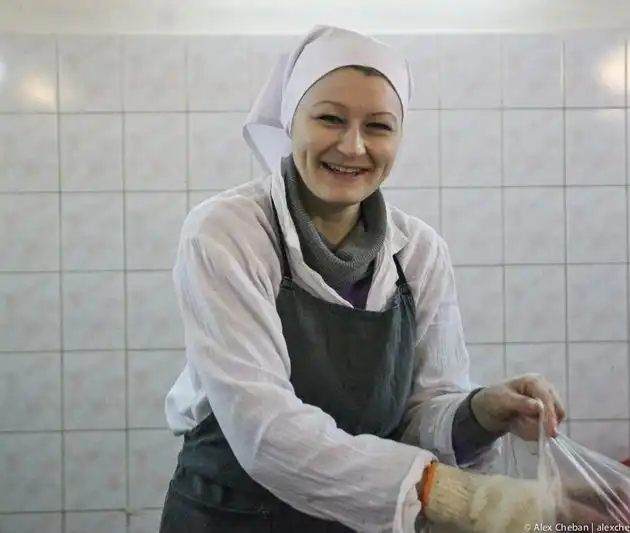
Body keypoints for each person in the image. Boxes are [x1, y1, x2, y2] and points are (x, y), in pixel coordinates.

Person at [158, 24, 577, 533]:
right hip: (231, 517)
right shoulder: (229, 231)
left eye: (378, 126)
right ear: (292, 121)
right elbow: (262, 427)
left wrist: (479, 412)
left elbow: (422, 412)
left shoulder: (419, 251)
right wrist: (455, 495)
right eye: (330, 118)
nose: (353, 146)